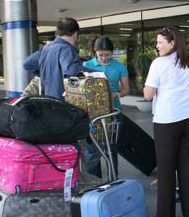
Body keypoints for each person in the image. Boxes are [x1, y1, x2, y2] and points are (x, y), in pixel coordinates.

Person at [144, 26, 189, 217]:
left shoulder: (159, 63)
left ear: (172, 43)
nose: (157, 45)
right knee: (187, 167)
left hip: (167, 120)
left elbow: (148, 94)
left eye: (160, 42)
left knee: (166, 171)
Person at [82, 36, 130, 177]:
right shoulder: (86, 66)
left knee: (112, 147)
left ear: (112, 52)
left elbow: (126, 89)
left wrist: (116, 95)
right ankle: (95, 182)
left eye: (107, 55)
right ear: (95, 52)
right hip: (92, 113)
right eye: (100, 55)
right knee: (91, 149)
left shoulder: (119, 67)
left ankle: (113, 179)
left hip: (113, 111)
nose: (103, 58)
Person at [35, 17, 83, 99]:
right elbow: (72, 74)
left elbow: (30, 65)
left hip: (47, 99)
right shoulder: (67, 49)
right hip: (62, 103)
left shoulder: (46, 49)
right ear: (75, 34)